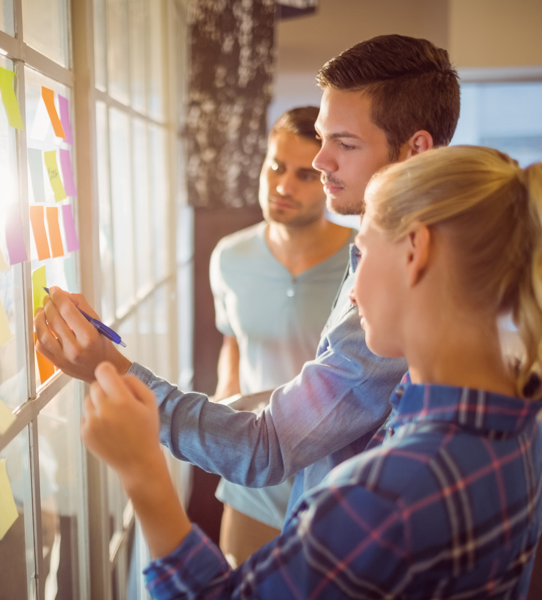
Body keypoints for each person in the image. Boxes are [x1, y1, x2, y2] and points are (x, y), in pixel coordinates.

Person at [82, 146, 542, 598]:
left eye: (359, 255)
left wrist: (141, 470)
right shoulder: (522, 423)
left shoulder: (386, 496)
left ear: (414, 251)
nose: (353, 293)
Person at [34, 34, 459, 515]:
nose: (320, 162)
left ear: (415, 149)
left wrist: (109, 370)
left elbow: (268, 448)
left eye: (345, 143)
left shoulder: (407, 278)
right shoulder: (375, 248)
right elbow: (319, 395)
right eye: (323, 138)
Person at [210, 106, 352, 563]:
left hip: (333, 479)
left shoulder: (363, 261)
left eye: (305, 175)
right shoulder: (228, 257)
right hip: (252, 471)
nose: (283, 186)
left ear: (329, 178)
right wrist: (224, 397)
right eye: (275, 166)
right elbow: (233, 340)